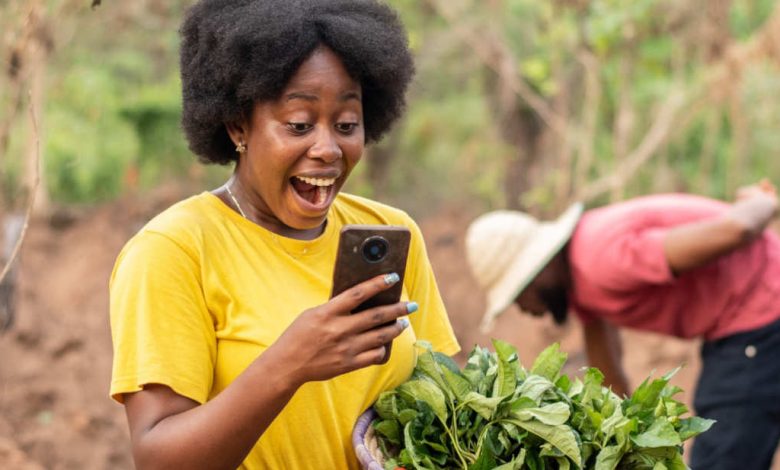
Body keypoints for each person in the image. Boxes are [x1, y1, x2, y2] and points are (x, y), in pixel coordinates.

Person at [108, 1, 460, 469]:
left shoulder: (389, 233)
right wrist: (288, 365)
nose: (327, 148)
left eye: (346, 125)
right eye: (299, 124)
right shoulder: (174, 251)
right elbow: (158, 458)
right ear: (238, 126)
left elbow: (450, 395)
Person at [465, 181, 780, 470]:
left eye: (520, 295)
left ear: (537, 270)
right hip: (742, 322)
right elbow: (610, 381)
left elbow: (735, 229)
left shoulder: (601, 259)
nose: (525, 309)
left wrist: (762, 201)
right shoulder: (580, 284)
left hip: (762, 309)